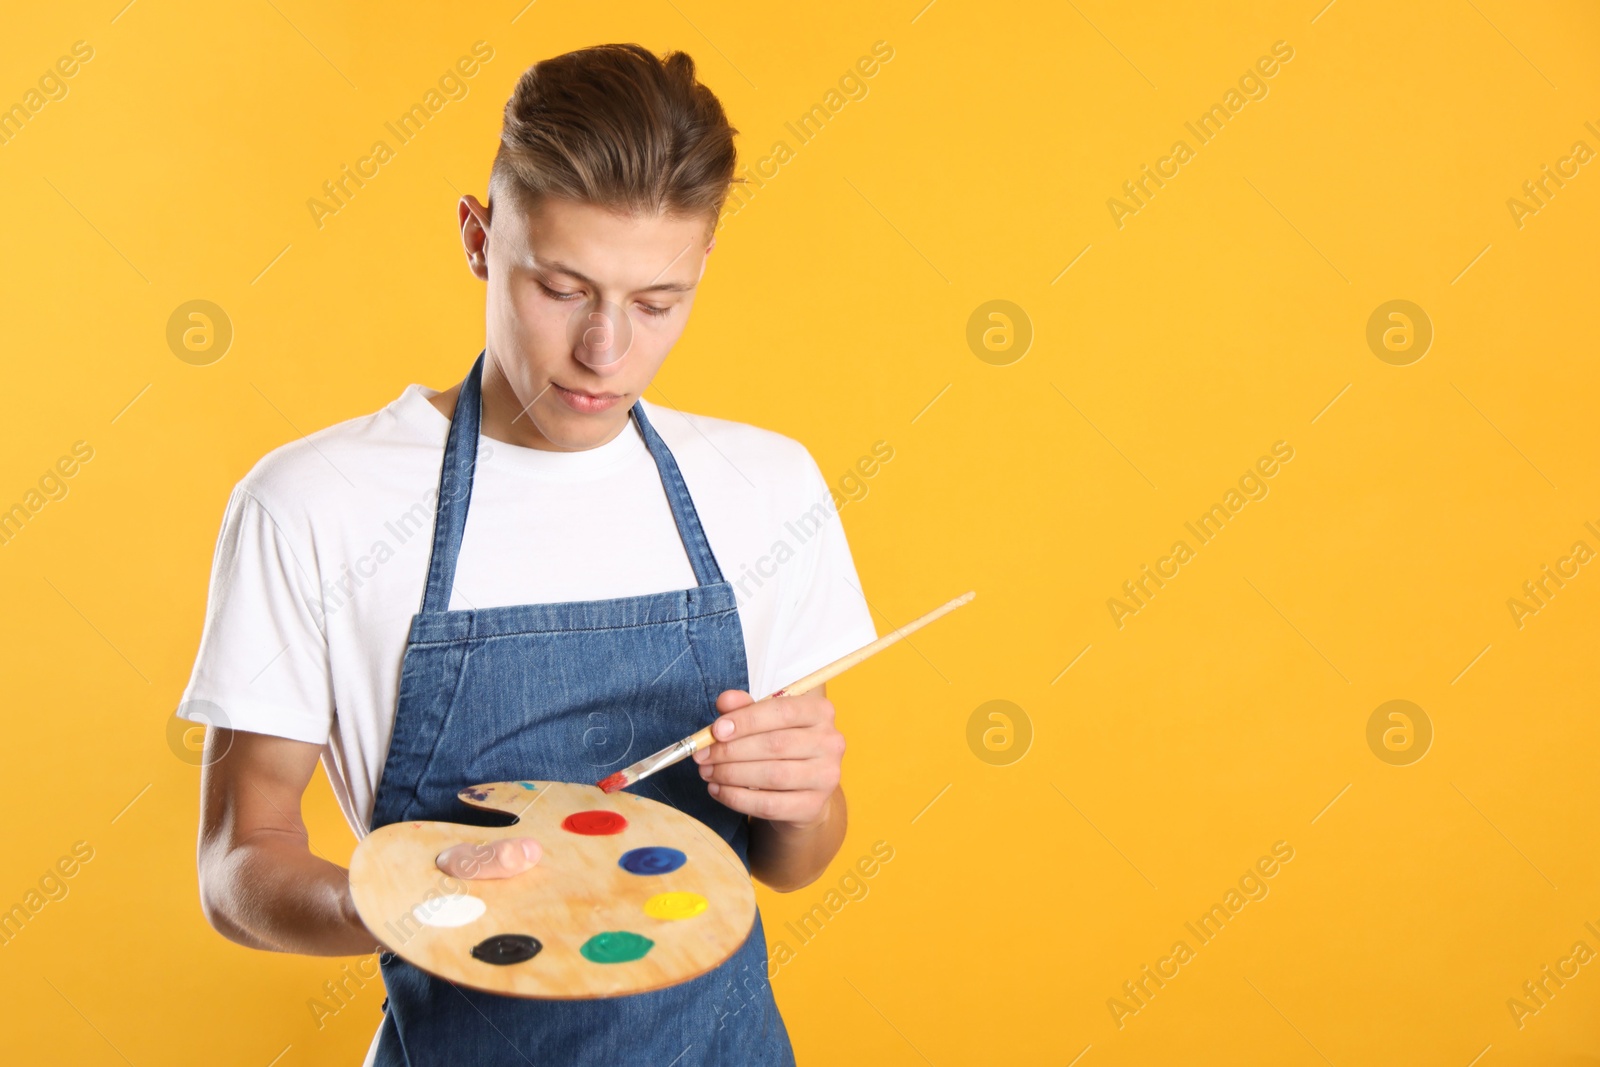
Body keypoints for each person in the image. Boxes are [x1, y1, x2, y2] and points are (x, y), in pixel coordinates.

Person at [180, 42, 875, 1066]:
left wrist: (803, 795)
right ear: (478, 236)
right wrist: (399, 899)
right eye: (561, 288)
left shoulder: (767, 487)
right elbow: (240, 859)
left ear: (702, 268)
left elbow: (793, 863)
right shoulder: (315, 502)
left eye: (656, 303)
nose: (606, 352)